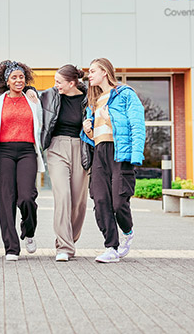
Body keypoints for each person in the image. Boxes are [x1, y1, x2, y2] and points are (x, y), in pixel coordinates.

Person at [0, 60, 44, 261]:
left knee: (27, 197)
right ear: (6, 81)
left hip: (27, 151)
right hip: (3, 151)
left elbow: (41, 122)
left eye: (21, 77)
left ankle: (29, 231)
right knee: (6, 200)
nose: (18, 80)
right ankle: (11, 248)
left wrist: (33, 92)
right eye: (14, 77)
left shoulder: (32, 100)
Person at [81, 58, 145, 263]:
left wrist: (135, 156)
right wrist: (87, 130)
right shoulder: (94, 101)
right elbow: (97, 136)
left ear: (105, 72)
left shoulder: (126, 94)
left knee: (118, 202)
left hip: (120, 152)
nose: (89, 75)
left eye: (92, 71)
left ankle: (127, 231)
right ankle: (111, 247)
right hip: (100, 152)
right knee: (100, 200)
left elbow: (137, 125)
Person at [40, 65, 89, 262]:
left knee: (78, 201)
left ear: (72, 83)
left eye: (59, 82)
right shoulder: (49, 96)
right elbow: (30, 93)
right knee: (63, 196)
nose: (56, 85)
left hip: (81, 147)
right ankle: (65, 246)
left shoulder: (88, 99)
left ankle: (71, 239)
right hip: (57, 147)